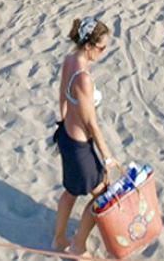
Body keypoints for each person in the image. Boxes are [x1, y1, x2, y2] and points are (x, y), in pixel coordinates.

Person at [52, 16, 118, 255]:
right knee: (102, 196)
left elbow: (62, 94)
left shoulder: (70, 60)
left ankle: (59, 239)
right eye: (102, 47)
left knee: (70, 192)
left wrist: (64, 121)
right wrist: (107, 157)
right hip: (80, 146)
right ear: (89, 46)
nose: (104, 52)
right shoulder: (84, 78)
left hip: (66, 138)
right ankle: (78, 247)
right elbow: (92, 124)